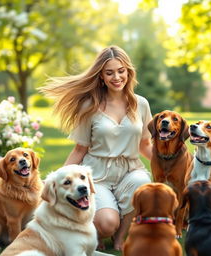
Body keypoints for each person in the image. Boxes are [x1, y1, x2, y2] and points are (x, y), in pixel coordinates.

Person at [39, 45, 153, 251]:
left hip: (130, 171)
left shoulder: (141, 104)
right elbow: (80, 150)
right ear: (101, 76)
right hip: (97, 175)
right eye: (109, 73)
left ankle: (120, 238)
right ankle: (102, 229)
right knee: (107, 223)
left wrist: (176, 166)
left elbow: (145, 145)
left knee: (143, 182)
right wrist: (55, 178)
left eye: (121, 71)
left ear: (128, 72)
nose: (116, 77)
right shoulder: (89, 106)